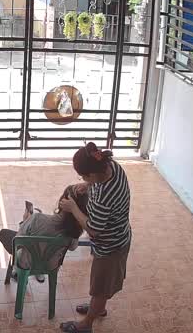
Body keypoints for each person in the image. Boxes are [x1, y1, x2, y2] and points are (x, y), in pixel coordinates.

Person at [59, 142, 132, 333]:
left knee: (100, 288)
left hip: (111, 246)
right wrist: (87, 184)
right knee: (102, 285)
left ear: (93, 174)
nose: (82, 178)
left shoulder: (104, 197)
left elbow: (93, 230)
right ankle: (98, 308)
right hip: (117, 234)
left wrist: (73, 208)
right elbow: (97, 184)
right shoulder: (111, 166)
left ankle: (86, 324)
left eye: (83, 175)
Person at [0, 186, 85, 282]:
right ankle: (38, 272)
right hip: (51, 265)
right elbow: (72, 248)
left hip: (27, 263)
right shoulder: (73, 231)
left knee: (4, 234)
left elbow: (19, 239)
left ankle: (20, 273)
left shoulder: (37, 218)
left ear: (62, 202)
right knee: (41, 243)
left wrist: (25, 221)